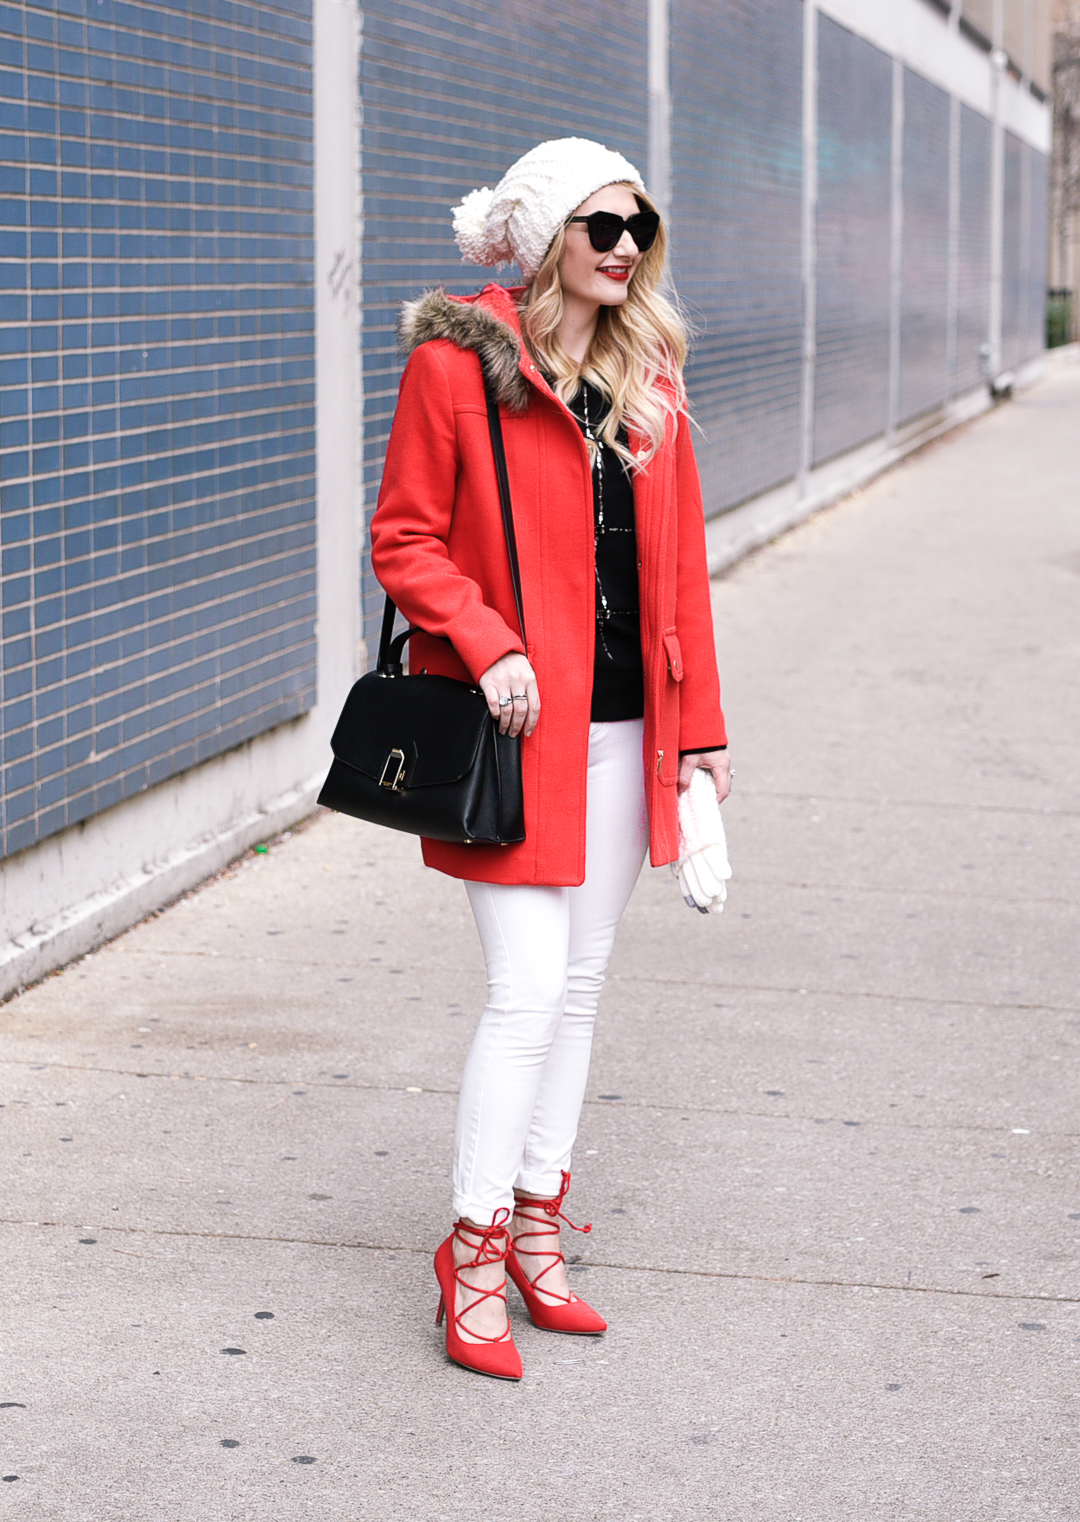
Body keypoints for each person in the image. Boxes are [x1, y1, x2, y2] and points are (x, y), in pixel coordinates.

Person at [370, 137, 730, 1380]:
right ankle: (469, 1249)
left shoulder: (651, 374)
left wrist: (702, 739)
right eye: (600, 224)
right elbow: (406, 540)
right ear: (544, 238)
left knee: (579, 987)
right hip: (515, 729)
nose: (625, 246)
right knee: (526, 991)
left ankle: (535, 1223)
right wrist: (486, 642)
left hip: (633, 728)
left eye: (639, 224)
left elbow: (682, 570)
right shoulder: (457, 366)